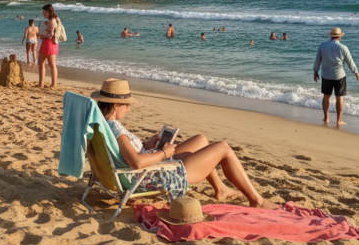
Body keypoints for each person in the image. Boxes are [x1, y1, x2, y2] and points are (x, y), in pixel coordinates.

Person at [94, 78, 276, 207]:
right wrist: (165, 154)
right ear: (115, 105)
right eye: (127, 105)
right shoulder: (115, 128)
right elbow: (136, 162)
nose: (129, 109)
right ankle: (257, 200)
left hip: (148, 168)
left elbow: (125, 153)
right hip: (151, 176)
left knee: (201, 140)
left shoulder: (104, 125)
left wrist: (146, 146)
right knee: (223, 147)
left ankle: (220, 189)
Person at [313, 27, 359, 125]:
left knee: (326, 96)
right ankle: (339, 120)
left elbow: (318, 60)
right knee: (339, 97)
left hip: (326, 75)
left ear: (331, 36)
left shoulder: (322, 46)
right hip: (339, 76)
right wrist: (356, 73)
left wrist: (315, 71)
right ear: (339, 37)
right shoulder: (343, 47)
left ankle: (326, 118)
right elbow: (350, 62)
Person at [37, 4, 62, 89]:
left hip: (47, 43)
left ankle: (41, 84)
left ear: (48, 11)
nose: (43, 13)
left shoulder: (51, 21)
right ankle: (53, 84)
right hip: (54, 44)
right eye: (43, 12)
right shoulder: (56, 19)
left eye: (44, 12)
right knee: (53, 65)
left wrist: (40, 34)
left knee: (41, 64)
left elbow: (49, 35)